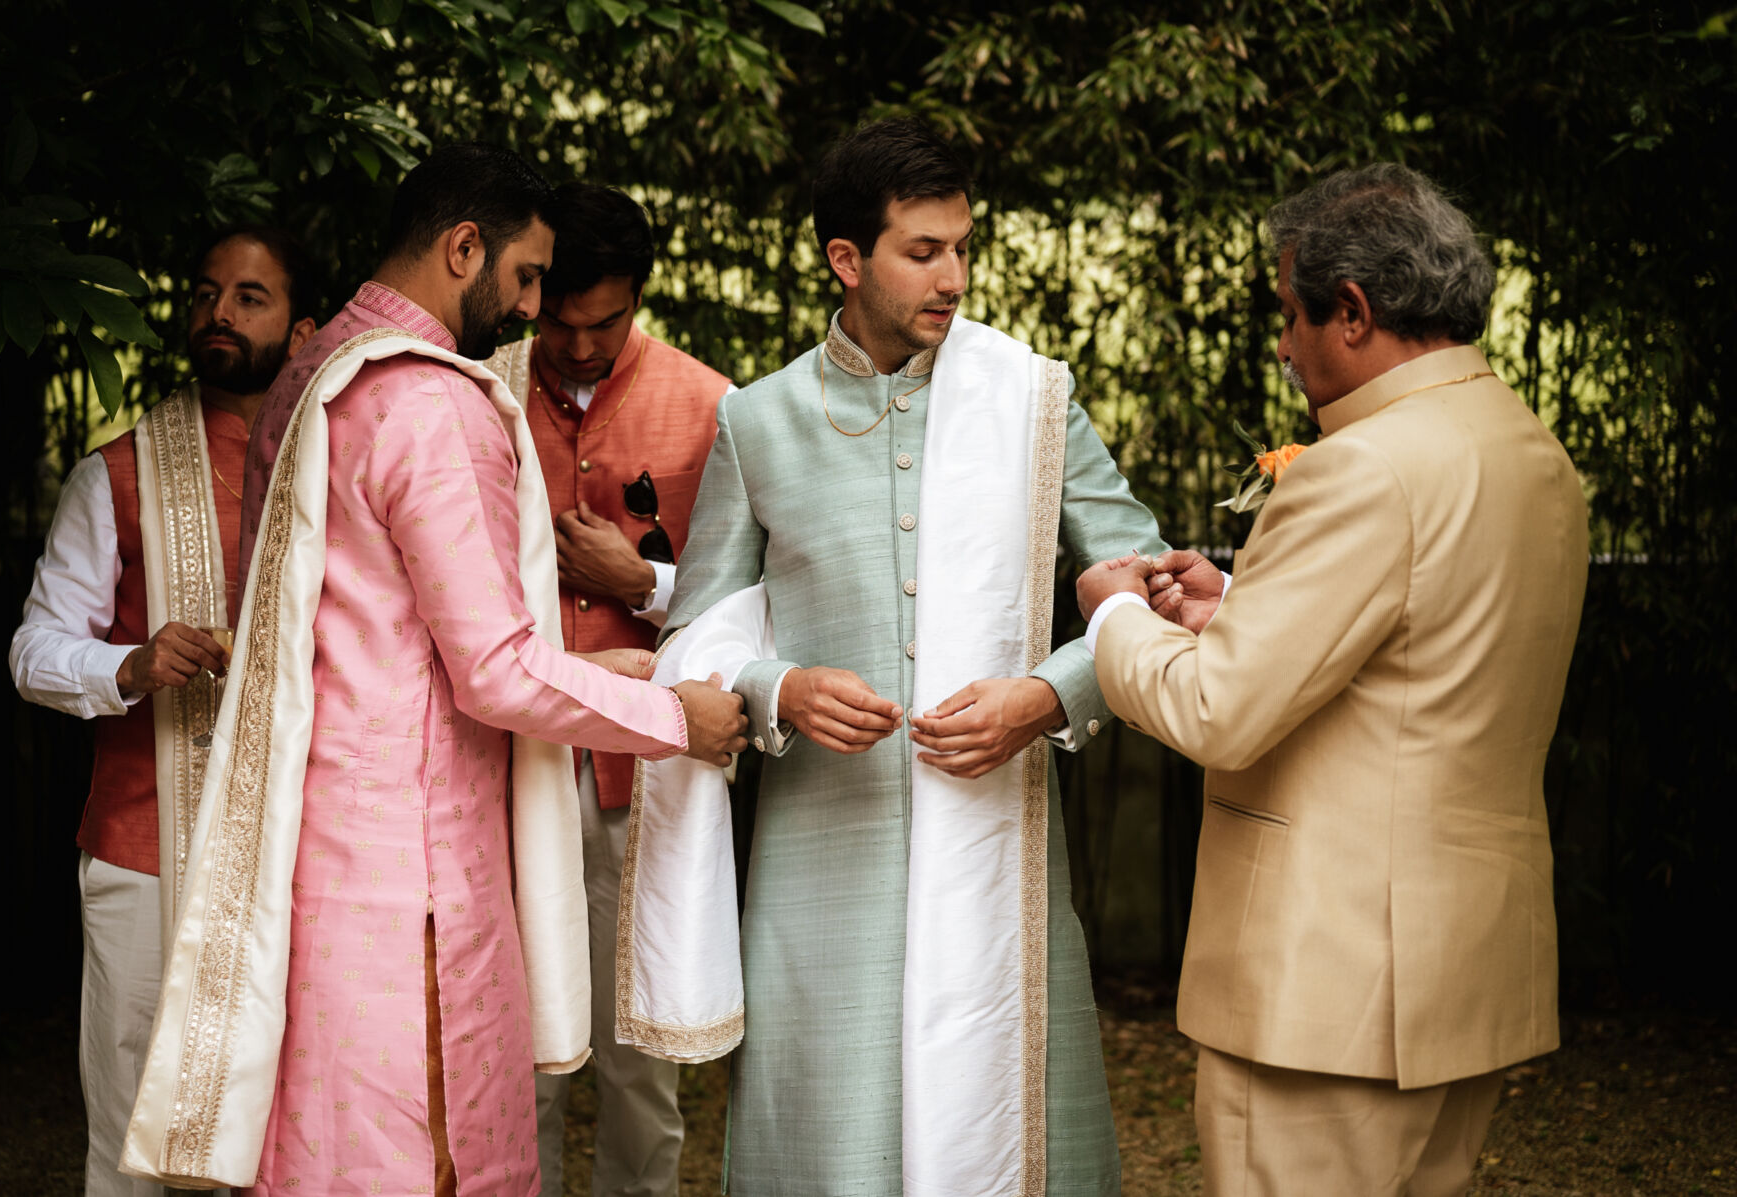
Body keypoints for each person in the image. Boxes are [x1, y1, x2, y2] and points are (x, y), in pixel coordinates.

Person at [120, 144, 747, 1197]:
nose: (532, 307)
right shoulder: (431, 404)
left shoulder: (313, 376)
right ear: (466, 248)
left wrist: (626, 666)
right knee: (432, 1157)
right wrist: (677, 717)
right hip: (415, 876)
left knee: (324, 1151)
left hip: (318, 851)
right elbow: (494, 671)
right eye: (527, 276)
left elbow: (377, 628)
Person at [644, 117, 1164, 1195]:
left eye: (963, 248)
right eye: (923, 252)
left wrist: (1049, 695)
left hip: (999, 846)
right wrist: (776, 688)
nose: (954, 277)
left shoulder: (1031, 402)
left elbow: (1148, 588)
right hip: (822, 864)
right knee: (831, 1147)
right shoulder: (761, 420)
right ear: (847, 259)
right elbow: (696, 634)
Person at [1078, 163, 1589, 1196]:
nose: (1281, 345)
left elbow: (1217, 710)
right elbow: (1421, 662)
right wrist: (1238, 609)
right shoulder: (1533, 453)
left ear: (1351, 312)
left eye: (1289, 315)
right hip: (1466, 970)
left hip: (1331, 988)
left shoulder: (1362, 467)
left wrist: (1114, 616)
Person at [8, 226, 317, 1197]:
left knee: (285, 1129)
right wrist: (131, 666)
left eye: (249, 297)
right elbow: (33, 652)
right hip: (144, 849)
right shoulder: (120, 471)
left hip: (304, 852)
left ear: (305, 333)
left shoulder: (342, 473)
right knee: (135, 1128)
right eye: (205, 293)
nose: (218, 312)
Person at [486, 183, 732, 1196]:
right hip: (507, 762)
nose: (582, 346)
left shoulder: (713, 404)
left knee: (642, 1051)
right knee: (516, 1037)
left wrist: (641, 584)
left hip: (649, 768)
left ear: (639, 299)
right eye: (562, 322)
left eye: (609, 322)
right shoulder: (479, 390)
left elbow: (751, 598)